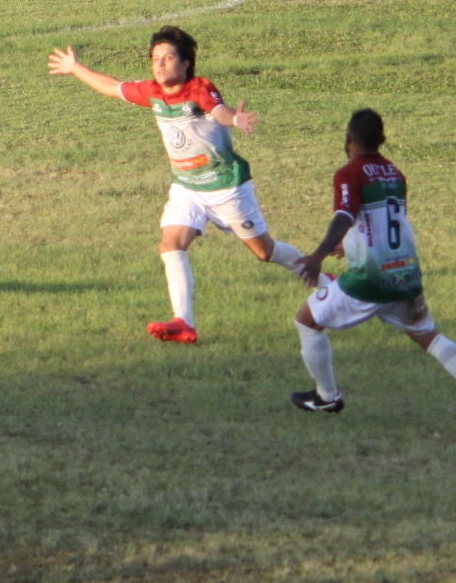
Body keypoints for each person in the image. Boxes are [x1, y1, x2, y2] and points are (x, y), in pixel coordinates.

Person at [48, 26, 309, 345]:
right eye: (155, 58)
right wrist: (75, 68)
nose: (159, 64)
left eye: (168, 58)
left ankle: (322, 279)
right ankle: (183, 323)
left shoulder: (198, 88)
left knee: (265, 252)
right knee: (170, 245)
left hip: (226, 188)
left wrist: (236, 120)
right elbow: (113, 87)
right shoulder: (152, 92)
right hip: (187, 188)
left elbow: (218, 111)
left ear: (185, 63)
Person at [290, 109, 456, 430]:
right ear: (383, 141)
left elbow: (346, 216)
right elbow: (384, 224)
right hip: (404, 273)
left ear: (348, 139)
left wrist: (319, 253)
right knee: (428, 336)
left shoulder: (349, 173)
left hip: (370, 280)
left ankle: (327, 396)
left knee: (306, 320)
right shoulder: (394, 173)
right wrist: (346, 245)